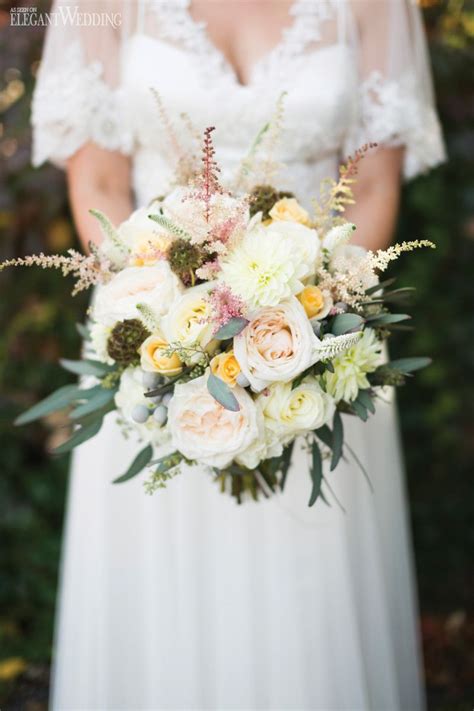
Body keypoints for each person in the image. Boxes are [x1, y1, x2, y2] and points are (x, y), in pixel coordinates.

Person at [32, 1, 445, 708]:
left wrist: (315, 318)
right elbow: (99, 182)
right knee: (162, 595)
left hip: (322, 346)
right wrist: (166, 319)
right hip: (155, 351)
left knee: (313, 601)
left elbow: (372, 185)